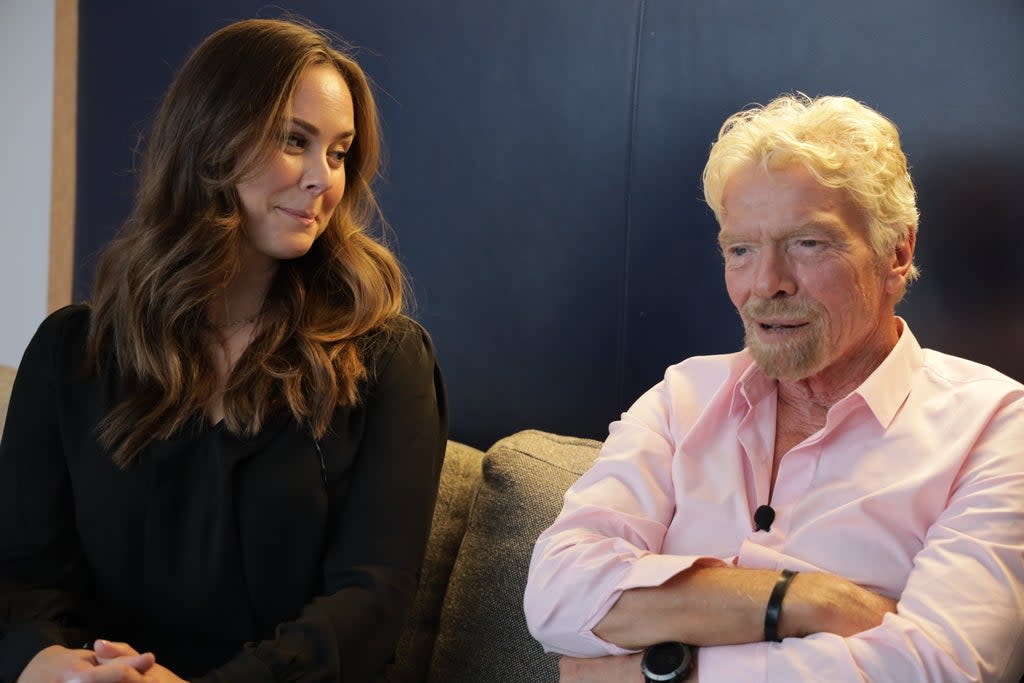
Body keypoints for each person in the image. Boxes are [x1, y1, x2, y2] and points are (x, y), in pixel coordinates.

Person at [0, 18, 447, 683]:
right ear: (212, 140)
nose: (324, 179)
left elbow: (369, 604)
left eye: (339, 152)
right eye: (295, 140)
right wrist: (48, 664)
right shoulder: (73, 353)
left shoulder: (384, 360)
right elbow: (18, 574)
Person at [524, 94, 1024, 682]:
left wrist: (654, 674)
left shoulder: (996, 428)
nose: (767, 283)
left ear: (896, 252)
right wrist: (808, 601)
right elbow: (557, 596)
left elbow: (940, 668)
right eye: (741, 250)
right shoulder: (681, 399)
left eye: (808, 244)